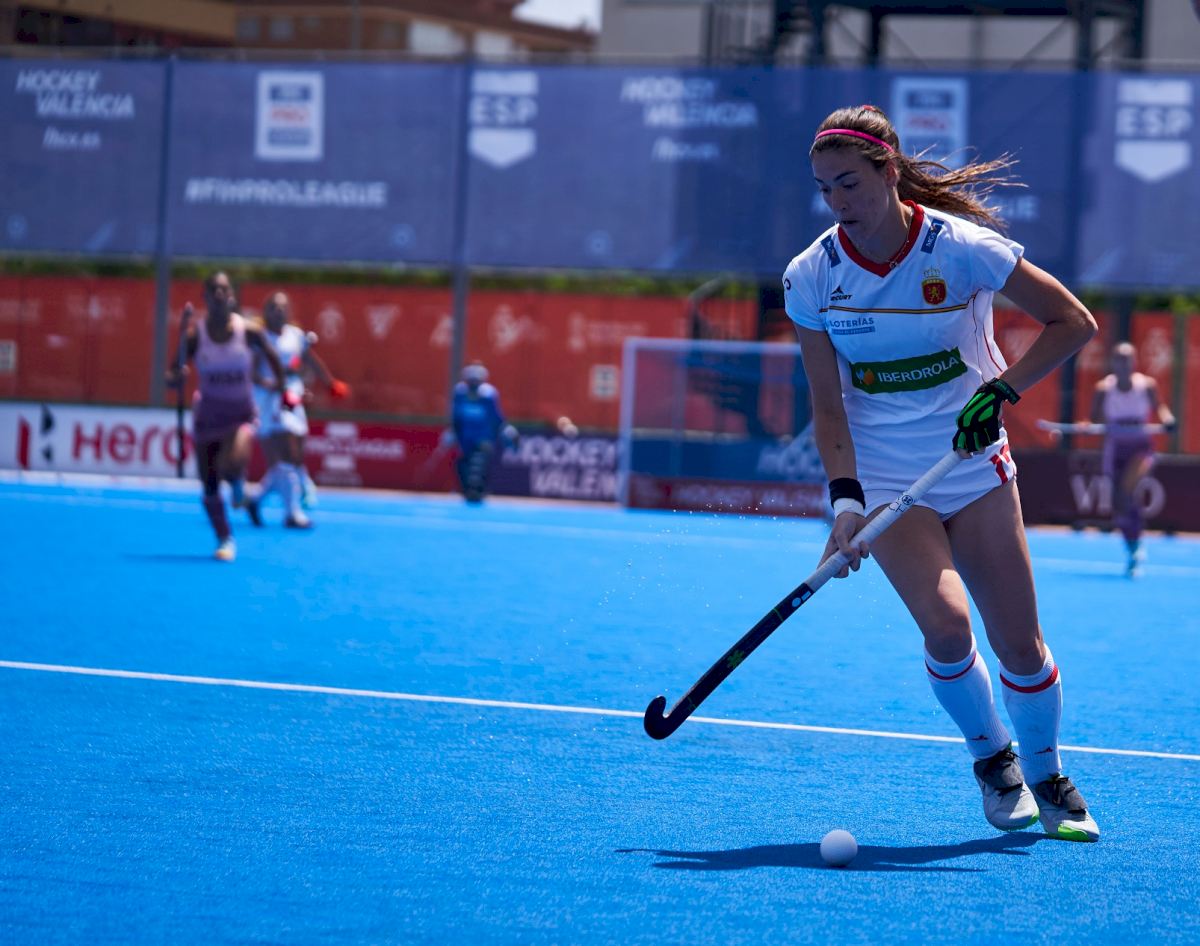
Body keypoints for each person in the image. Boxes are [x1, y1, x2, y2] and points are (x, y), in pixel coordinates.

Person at [783, 105, 1100, 841]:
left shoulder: (961, 249)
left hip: (973, 466)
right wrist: (845, 507)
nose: (838, 203)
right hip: (889, 484)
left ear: (889, 172)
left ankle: (1048, 772)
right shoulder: (812, 276)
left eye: (850, 184)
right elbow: (827, 409)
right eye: (825, 189)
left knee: (1020, 645)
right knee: (949, 627)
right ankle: (994, 758)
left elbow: (1073, 322)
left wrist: (1003, 390)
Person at [166, 272, 290, 562]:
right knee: (209, 484)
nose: (220, 295)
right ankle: (224, 538)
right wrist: (175, 378)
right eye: (214, 290)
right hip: (208, 416)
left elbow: (274, 359)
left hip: (240, 415)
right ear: (205, 298)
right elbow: (171, 374)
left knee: (232, 461)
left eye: (225, 290)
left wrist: (280, 387)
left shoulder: (248, 332)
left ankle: (237, 480)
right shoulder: (195, 336)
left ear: (232, 297)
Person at [244, 291, 350, 530]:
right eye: (273, 307)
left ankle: (257, 499)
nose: (278, 312)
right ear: (265, 311)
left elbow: (309, 360)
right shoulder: (260, 337)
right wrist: (272, 385)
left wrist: (330, 383)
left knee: (295, 456)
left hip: (292, 395)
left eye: (283, 307)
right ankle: (292, 512)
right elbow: (252, 372)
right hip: (269, 400)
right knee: (287, 452)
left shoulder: (295, 335)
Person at [1089, 341, 1175, 576]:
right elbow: (1094, 420)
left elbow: (1161, 408)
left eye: (1127, 359)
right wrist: (1092, 425)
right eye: (1119, 359)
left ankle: (1136, 546)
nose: (1123, 364)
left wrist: (1167, 420)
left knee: (1127, 491)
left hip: (1141, 449)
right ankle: (1132, 546)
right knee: (1120, 501)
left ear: (1134, 361)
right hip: (1115, 449)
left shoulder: (1146, 385)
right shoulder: (1103, 389)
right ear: (1113, 362)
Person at [444, 361, 517, 503]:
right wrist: (452, 431)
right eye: (471, 380)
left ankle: (478, 491)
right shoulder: (460, 393)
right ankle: (466, 492)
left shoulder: (488, 395)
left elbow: (496, 417)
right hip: (465, 439)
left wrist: (505, 429)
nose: (473, 384)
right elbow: (456, 416)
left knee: (478, 466)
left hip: (483, 438)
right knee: (462, 466)